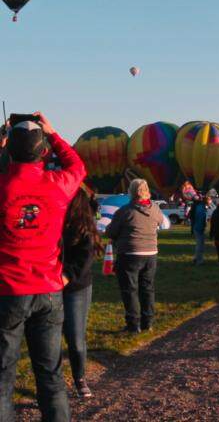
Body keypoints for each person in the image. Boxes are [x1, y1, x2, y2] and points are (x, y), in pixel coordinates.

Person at [0, 113, 86, 422]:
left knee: (3, 379)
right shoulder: (58, 184)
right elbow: (78, 166)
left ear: (9, 149)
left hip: (8, 291)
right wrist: (54, 133)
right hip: (49, 291)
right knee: (50, 376)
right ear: (44, 151)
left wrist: (3, 138)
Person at [105, 179, 164, 333]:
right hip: (151, 253)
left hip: (130, 254)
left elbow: (110, 232)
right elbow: (161, 223)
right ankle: (147, 322)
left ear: (131, 192)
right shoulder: (155, 209)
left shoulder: (125, 211)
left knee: (130, 290)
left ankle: (133, 324)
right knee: (147, 288)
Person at [62, 187, 103, 399]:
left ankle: (79, 378)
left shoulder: (84, 226)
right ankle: (52, 382)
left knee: (75, 338)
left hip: (76, 287)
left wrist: (66, 276)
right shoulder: (53, 218)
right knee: (49, 339)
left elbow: (85, 258)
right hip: (48, 285)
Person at [189, 194, 208, 265]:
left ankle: (196, 258)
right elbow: (200, 218)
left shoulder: (198, 206)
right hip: (199, 228)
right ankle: (198, 260)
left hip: (197, 227)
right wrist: (202, 227)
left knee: (200, 244)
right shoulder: (200, 207)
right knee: (200, 245)